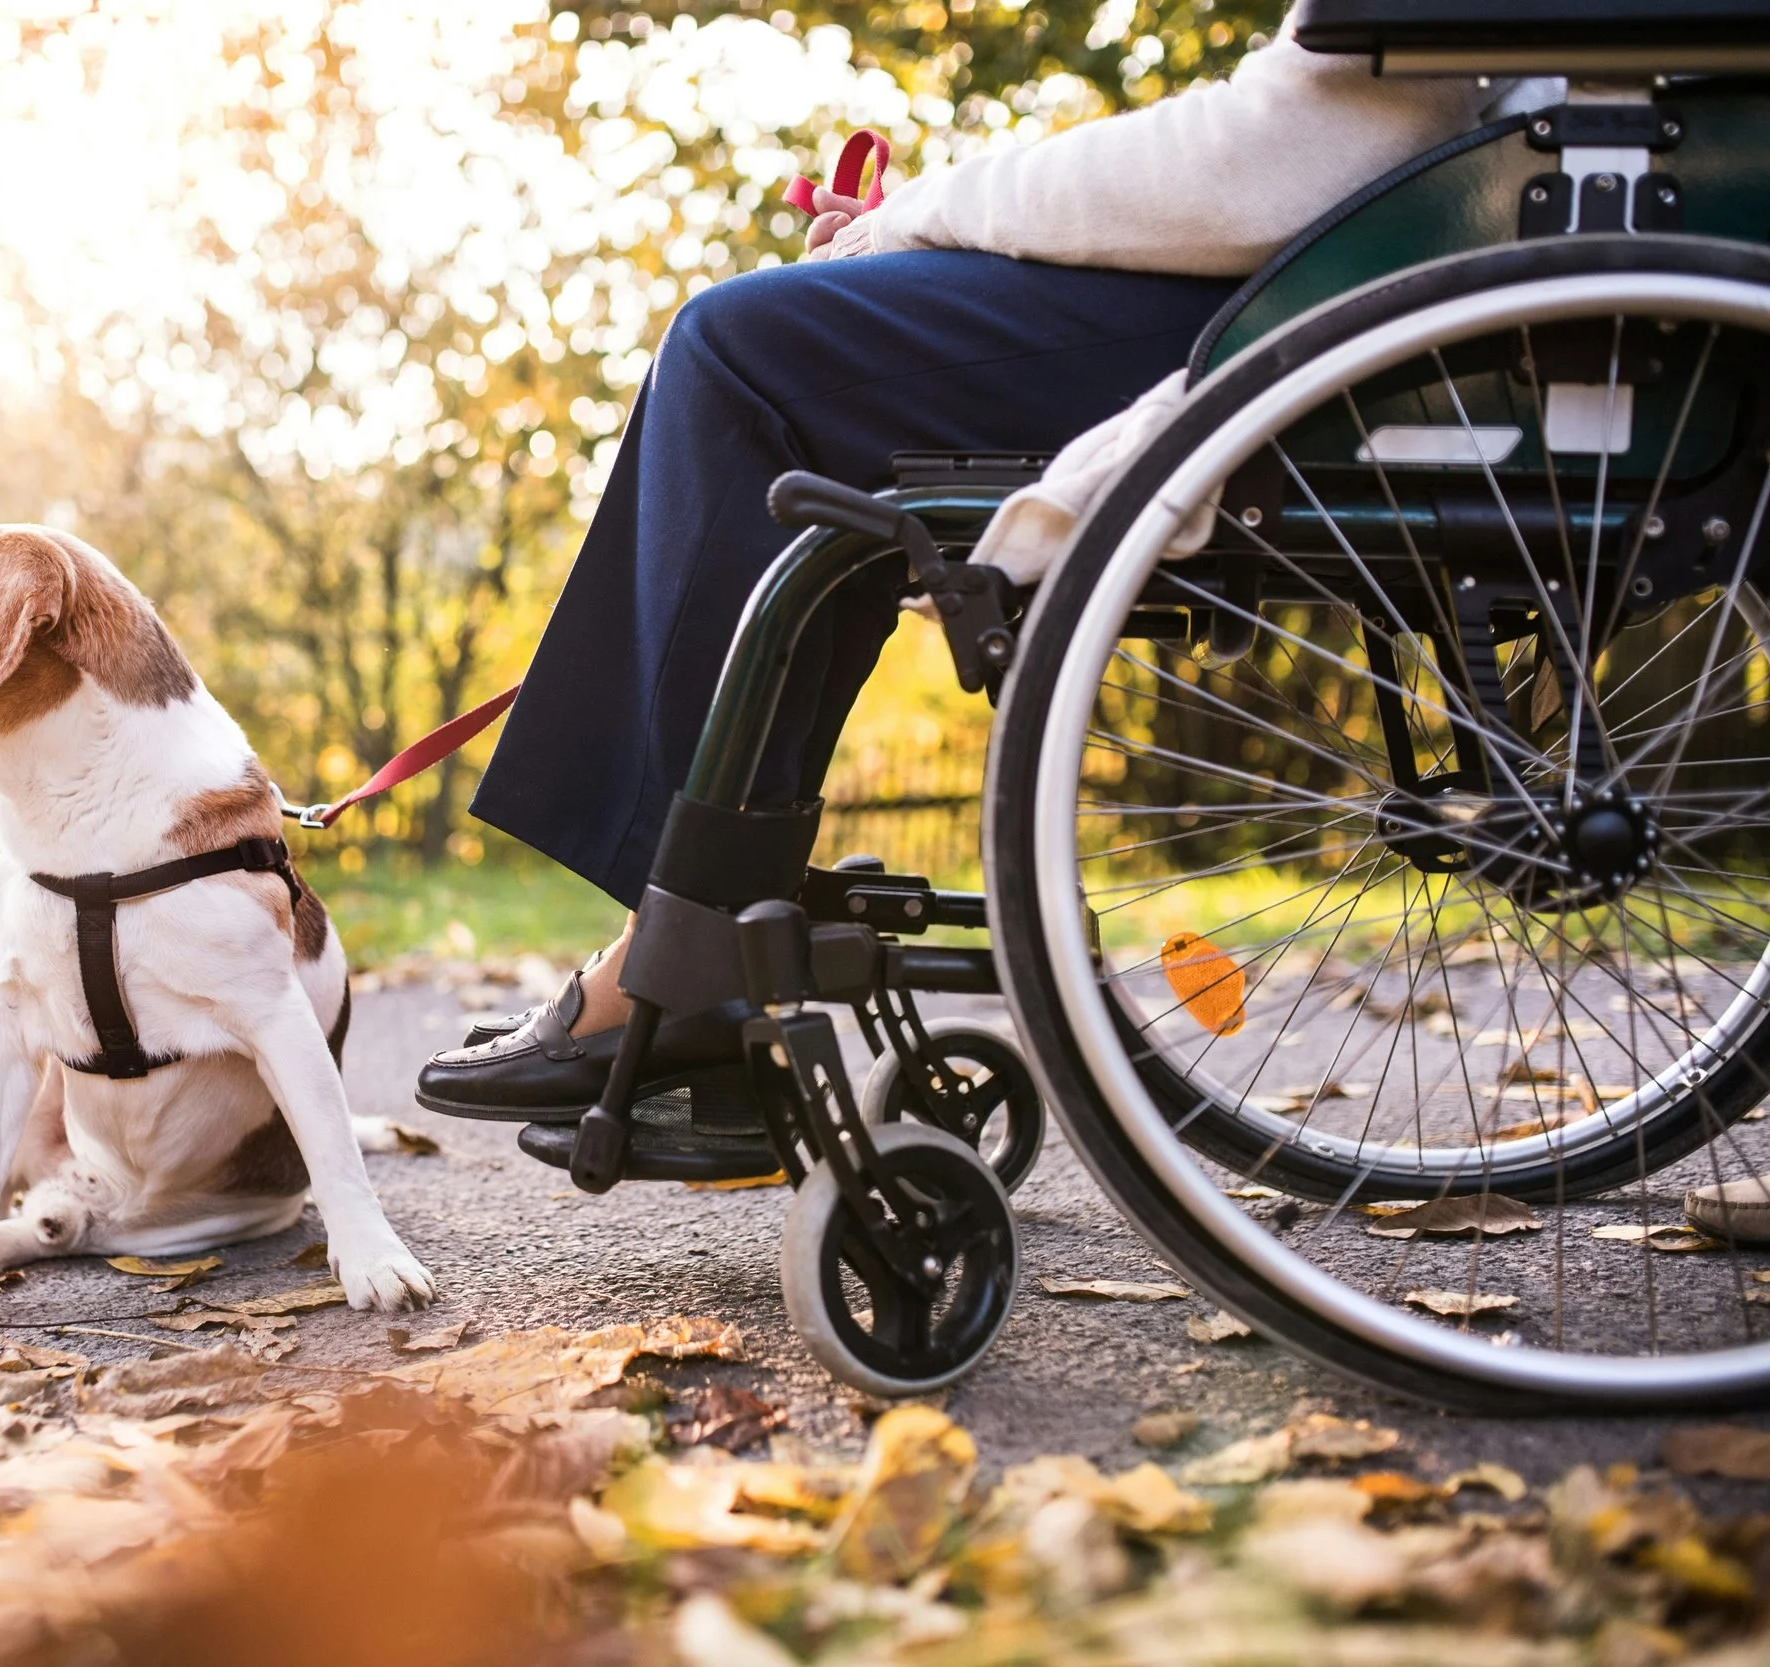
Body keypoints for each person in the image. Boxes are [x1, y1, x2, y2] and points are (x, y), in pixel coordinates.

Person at [416, 9, 1558, 1121]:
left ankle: (678, 956)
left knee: (739, 348)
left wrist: (921, 217)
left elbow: (1279, 155)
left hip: (1339, 311)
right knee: (790, 354)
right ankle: (695, 942)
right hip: (1417, 287)